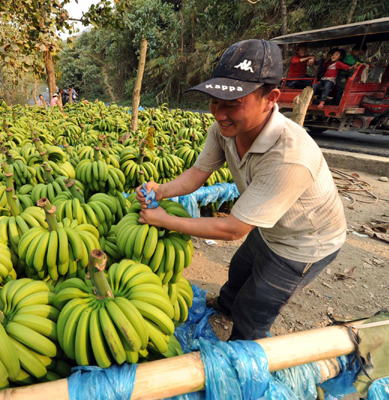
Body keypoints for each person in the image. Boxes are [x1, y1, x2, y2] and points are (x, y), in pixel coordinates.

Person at [136, 39, 346, 341]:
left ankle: (241, 358)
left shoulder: (290, 156)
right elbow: (198, 174)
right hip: (269, 223)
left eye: (233, 104)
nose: (219, 113)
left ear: (270, 97)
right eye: (214, 101)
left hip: (304, 241)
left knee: (256, 305)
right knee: (239, 270)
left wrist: (164, 220)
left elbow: (234, 229)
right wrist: (161, 190)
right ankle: (224, 306)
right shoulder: (226, 129)